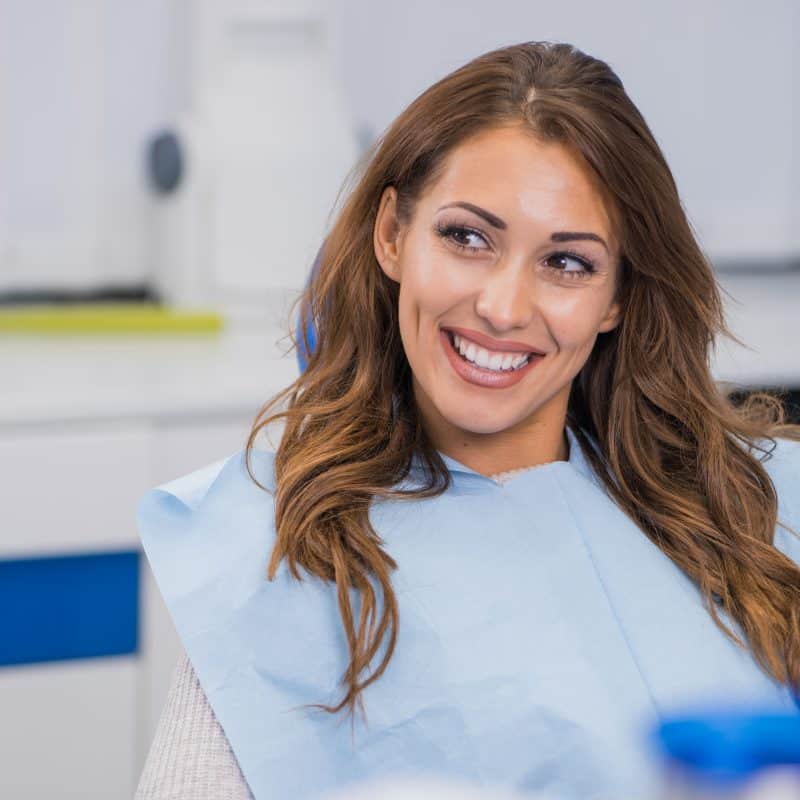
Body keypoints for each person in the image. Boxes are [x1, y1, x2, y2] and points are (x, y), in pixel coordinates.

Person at [135, 41, 800, 800]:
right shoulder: (281, 549)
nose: (504, 308)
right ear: (393, 234)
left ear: (617, 297)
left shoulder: (750, 509)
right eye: (468, 238)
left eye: (568, 263)